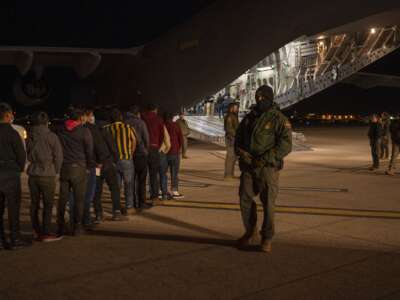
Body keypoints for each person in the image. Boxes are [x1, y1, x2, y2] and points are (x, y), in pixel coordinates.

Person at [235, 85, 292, 252]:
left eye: (263, 98)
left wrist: (265, 158)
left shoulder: (278, 118)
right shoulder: (248, 118)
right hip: (248, 166)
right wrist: (241, 152)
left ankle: (267, 237)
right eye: (257, 98)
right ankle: (250, 232)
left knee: (268, 203)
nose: (260, 101)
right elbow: (238, 139)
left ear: (270, 98)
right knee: (244, 198)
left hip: (267, 168)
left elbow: (286, 145)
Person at [57, 108, 95, 236]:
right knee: (79, 199)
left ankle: (60, 226)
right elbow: (89, 151)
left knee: (62, 199)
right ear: (79, 119)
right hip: (79, 167)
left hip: (64, 168)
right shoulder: (84, 131)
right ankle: (77, 227)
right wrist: (90, 166)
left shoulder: (61, 130)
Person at [26, 111, 63, 242]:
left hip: (33, 173)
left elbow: (27, 154)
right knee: (48, 204)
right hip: (48, 173)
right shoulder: (52, 136)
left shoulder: (30, 136)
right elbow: (59, 156)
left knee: (34, 203)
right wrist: (56, 170)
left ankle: (36, 230)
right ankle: (46, 232)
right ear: (47, 122)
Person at [0, 103, 27, 250]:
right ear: (7, 115)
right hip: (10, 173)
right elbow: (21, 155)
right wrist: (19, 169)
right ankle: (14, 238)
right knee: (13, 208)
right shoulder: (13, 133)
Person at [104, 108, 137, 215]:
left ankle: (116, 208)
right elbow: (134, 141)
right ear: (121, 118)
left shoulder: (106, 129)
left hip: (113, 161)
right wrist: (131, 153)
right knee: (129, 184)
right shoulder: (128, 127)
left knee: (116, 187)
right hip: (126, 159)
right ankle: (129, 206)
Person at [93, 110, 123, 221]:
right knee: (114, 188)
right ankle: (116, 211)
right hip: (108, 164)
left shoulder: (90, 130)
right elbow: (113, 148)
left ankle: (98, 213)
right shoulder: (105, 131)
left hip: (96, 166)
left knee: (97, 190)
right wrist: (115, 160)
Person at [125, 106, 151, 210]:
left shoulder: (124, 122)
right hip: (140, 154)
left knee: (130, 181)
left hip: (128, 155)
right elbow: (146, 139)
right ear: (137, 114)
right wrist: (146, 150)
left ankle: (132, 203)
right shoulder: (141, 123)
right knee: (141, 180)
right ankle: (141, 203)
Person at [141, 104, 164, 203]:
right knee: (154, 174)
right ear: (155, 109)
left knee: (141, 175)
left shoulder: (142, 118)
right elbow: (162, 135)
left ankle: (140, 198)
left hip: (142, 149)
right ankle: (154, 196)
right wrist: (157, 146)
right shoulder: (159, 119)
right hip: (154, 148)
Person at [160, 113, 184, 200]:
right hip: (174, 152)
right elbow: (181, 139)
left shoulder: (162, 125)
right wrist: (179, 149)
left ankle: (162, 190)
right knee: (174, 172)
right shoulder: (175, 125)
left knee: (163, 173)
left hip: (164, 152)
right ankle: (174, 190)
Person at [224, 102, 240, 179]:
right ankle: (227, 175)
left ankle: (231, 174)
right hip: (231, 138)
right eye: (236, 107)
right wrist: (236, 135)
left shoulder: (234, 116)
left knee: (233, 157)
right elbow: (229, 129)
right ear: (231, 108)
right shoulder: (230, 117)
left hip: (234, 137)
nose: (237, 109)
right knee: (230, 157)